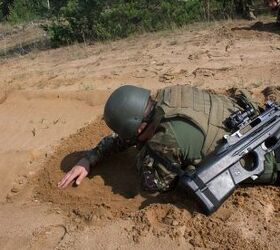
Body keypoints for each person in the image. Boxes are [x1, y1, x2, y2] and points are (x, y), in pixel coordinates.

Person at [58, 85, 280, 192]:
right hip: (265, 120)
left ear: (135, 129)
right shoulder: (168, 96)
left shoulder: (163, 141)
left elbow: (156, 185)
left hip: (268, 153)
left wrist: (143, 158)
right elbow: (131, 134)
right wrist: (89, 158)